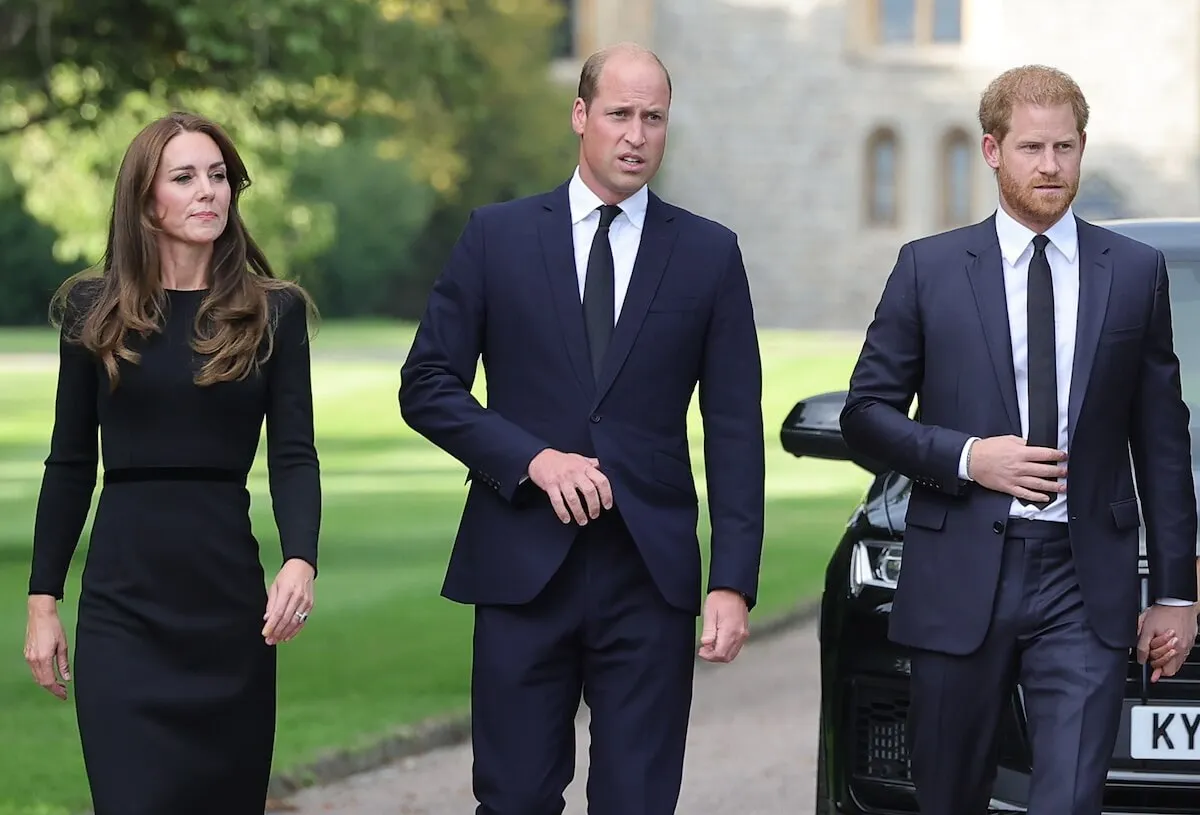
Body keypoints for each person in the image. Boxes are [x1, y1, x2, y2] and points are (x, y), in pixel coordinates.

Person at [399, 42, 764, 815]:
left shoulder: (708, 254)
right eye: (620, 114)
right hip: (520, 565)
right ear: (580, 115)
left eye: (654, 118)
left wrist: (730, 581)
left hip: (650, 574)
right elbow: (426, 384)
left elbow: (734, 429)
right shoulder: (495, 237)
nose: (636, 135)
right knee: (514, 798)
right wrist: (532, 460)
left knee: (637, 801)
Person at [840, 65, 1199, 815]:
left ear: (1083, 148)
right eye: (1032, 147)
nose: (1050, 166)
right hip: (960, 569)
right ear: (992, 150)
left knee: (1070, 801)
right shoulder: (928, 269)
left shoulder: (1133, 273)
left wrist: (1173, 593)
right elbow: (866, 415)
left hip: (1084, 580)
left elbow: (1164, 444)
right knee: (949, 798)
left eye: (1065, 148)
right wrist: (973, 457)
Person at [22, 111, 321, 815]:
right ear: (144, 199)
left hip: (227, 609)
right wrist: (43, 602)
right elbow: (68, 464)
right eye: (184, 177)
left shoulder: (271, 314)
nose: (207, 191)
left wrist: (300, 560)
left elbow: (294, 453)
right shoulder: (93, 311)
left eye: (217, 175)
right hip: (124, 609)